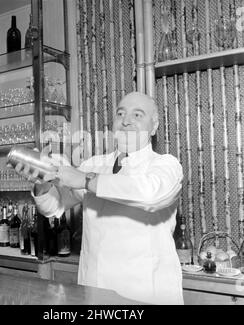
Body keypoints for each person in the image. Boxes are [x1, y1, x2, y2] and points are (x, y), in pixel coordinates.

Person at [15, 92, 184, 305]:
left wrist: (85, 180)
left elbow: (149, 195)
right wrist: (42, 181)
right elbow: (54, 208)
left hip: (145, 294)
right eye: (120, 113)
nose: (126, 120)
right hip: (94, 289)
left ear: (154, 126)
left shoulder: (166, 165)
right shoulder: (95, 164)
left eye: (137, 115)